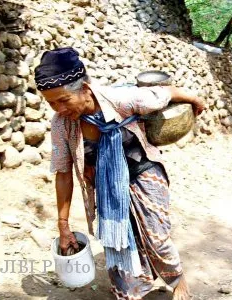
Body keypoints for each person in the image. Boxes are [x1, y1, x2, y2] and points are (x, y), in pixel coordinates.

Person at [35, 47, 204, 300]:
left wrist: (195, 100)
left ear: (85, 88)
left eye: (63, 100)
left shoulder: (123, 100)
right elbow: (63, 172)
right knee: (120, 243)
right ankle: (130, 292)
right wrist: (63, 225)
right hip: (106, 186)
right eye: (51, 103)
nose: (58, 108)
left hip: (144, 173)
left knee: (155, 237)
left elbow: (164, 93)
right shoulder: (62, 124)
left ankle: (178, 279)